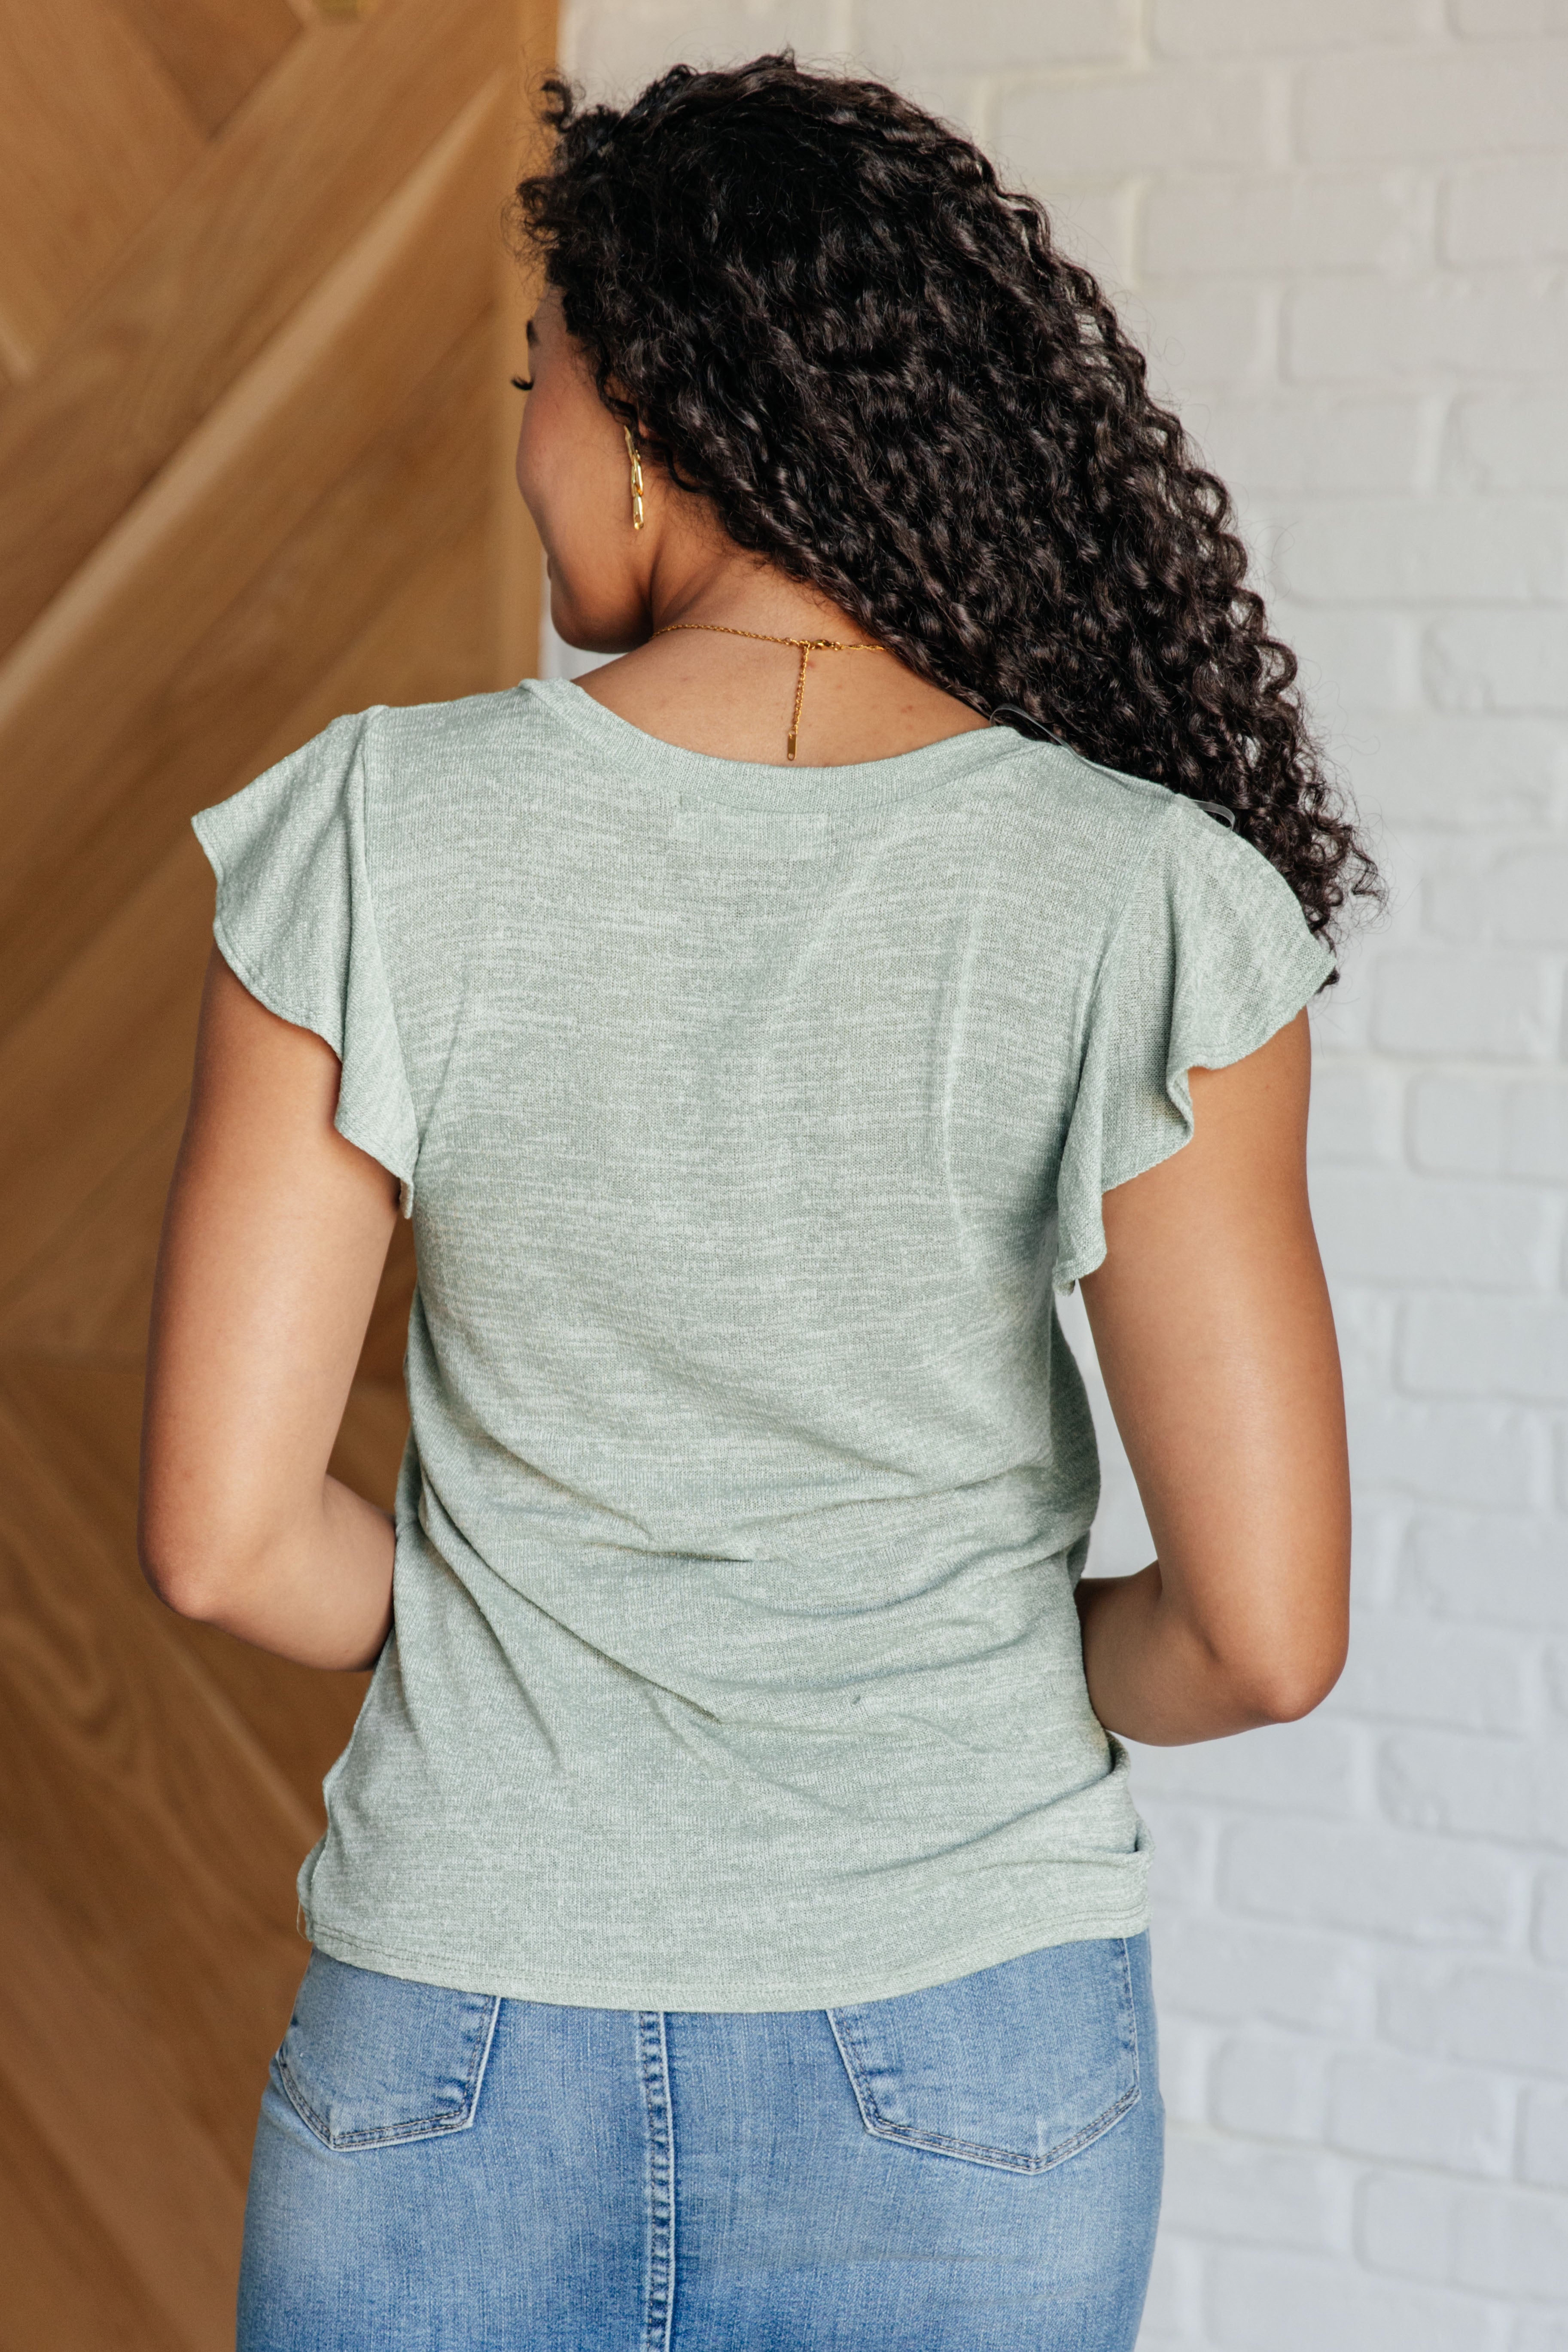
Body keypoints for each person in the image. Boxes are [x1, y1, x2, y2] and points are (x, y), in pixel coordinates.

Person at [139, 55, 1371, 2352]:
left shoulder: (378, 831)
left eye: (537, 379)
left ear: (643, 412)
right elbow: (1261, 1635)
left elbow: (224, 1540)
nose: (526, 448)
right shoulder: (1147, 897)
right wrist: (958, 1674)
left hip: (458, 2027)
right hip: (970, 2046)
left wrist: (534, 1642)